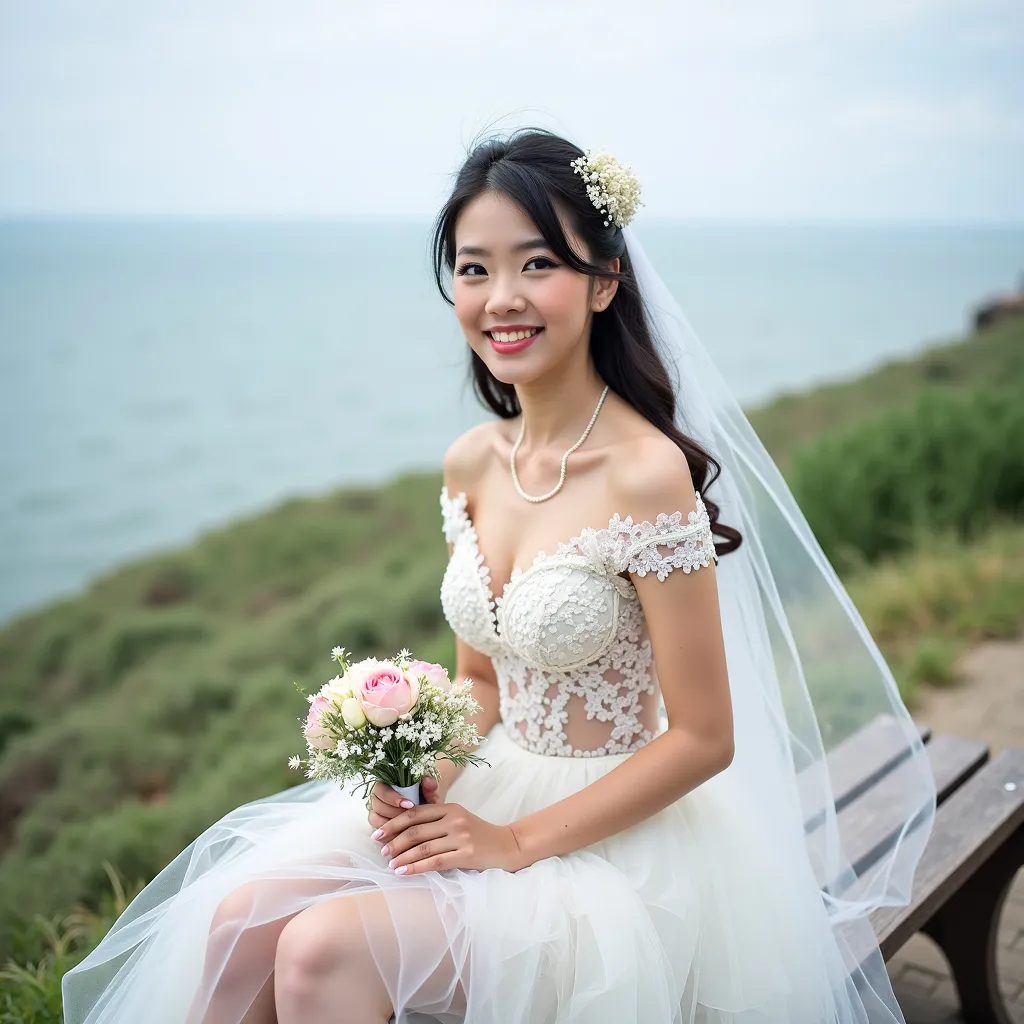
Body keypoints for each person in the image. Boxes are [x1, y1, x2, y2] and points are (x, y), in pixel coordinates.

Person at [62, 128, 935, 1023]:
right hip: (486, 784)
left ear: (604, 282)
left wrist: (510, 841)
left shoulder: (644, 473)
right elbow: (480, 678)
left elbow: (706, 738)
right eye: (474, 269)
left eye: (537, 264)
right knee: (243, 920)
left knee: (321, 952)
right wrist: (424, 768)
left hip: (609, 841)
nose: (501, 298)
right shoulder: (472, 463)